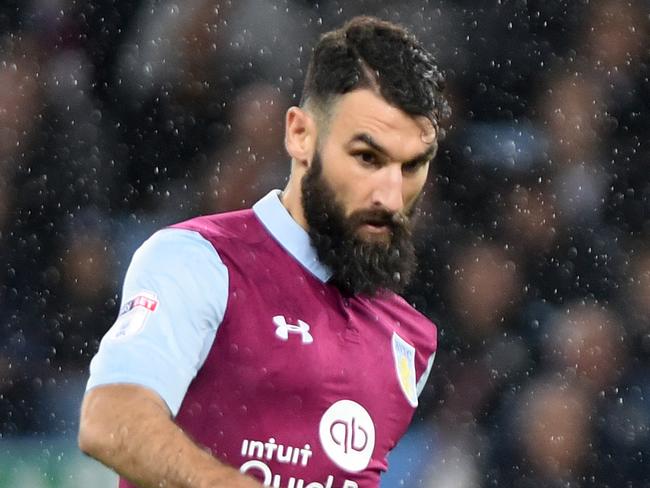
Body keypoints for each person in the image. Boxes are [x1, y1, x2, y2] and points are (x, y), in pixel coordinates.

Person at [78, 16, 449, 488]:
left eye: (413, 166)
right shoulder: (198, 261)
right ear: (300, 135)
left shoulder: (410, 342)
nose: (391, 196)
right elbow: (111, 421)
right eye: (367, 158)